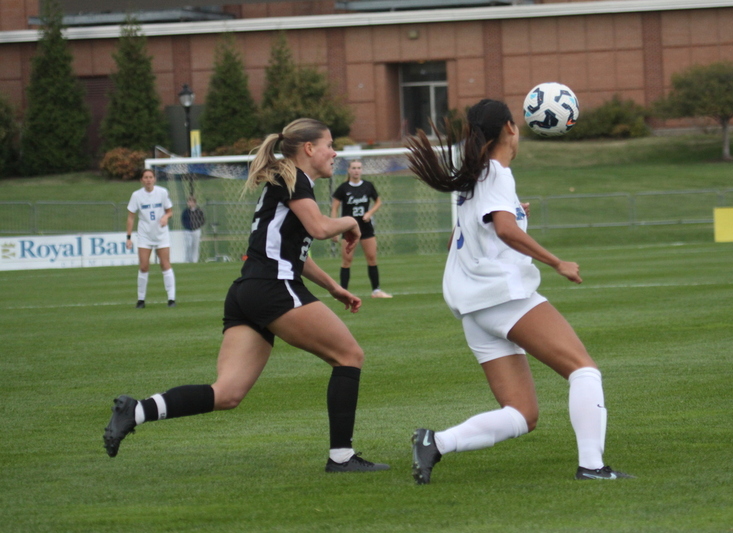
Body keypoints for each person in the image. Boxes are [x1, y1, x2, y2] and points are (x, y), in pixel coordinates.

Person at [104, 118, 390, 474]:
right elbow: (318, 230)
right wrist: (352, 223)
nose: (336, 152)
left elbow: (291, 251)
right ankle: (342, 458)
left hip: (247, 291)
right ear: (309, 149)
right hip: (272, 288)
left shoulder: (290, 182)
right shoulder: (296, 180)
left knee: (227, 394)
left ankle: (137, 410)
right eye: (330, 144)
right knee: (349, 355)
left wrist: (333, 287)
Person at [405, 99, 632, 484]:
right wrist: (557, 262)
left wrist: (512, 212)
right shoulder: (495, 172)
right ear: (511, 127)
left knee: (522, 414)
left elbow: (463, 238)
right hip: (503, 297)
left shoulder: (474, 177)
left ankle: (436, 442)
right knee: (584, 371)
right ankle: (592, 466)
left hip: (475, 309)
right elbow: (506, 231)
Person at [330, 160, 392, 298]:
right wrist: (334, 227)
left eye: (359, 168)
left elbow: (378, 201)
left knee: (372, 258)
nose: (356, 170)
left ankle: (376, 291)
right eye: (353, 168)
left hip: (365, 228)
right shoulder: (343, 188)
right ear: (349, 170)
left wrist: (370, 213)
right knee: (347, 260)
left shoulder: (368, 186)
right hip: (349, 229)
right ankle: (343, 292)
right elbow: (334, 207)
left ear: (361, 170)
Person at [126, 169, 176, 308]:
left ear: (154, 179)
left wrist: (166, 217)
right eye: (145, 177)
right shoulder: (136, 195)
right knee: (143, 266)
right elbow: (130, 217)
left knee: (165, 265)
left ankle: (171, 299)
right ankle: (141, 299)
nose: (148, 180)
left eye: (150, 177)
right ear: (142, 180)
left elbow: (170, 211)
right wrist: (128, 237)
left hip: (161, 234)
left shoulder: (162, 192)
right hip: (144, 235)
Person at [181, 195, 206, 263]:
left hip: (196, 230)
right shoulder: (186, 211)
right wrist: (187, 226)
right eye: (188, 202)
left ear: (194, 203)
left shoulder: (199, 211)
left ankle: (194, 260)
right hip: (188, 230)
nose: (189, 203)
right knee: (188, 245)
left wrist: (197, 225)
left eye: (191, 202)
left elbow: (202, 220)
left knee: (195, 246)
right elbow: (183, 220)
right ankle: (187, 260)